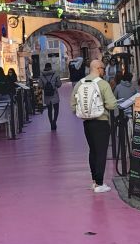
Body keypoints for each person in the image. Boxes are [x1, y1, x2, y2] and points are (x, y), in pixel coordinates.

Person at [70, 60, 117, 193]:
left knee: (93, 151)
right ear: (97, 68)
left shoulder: (80, 83)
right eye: (103, 68)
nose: (104, 70)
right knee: (101, 152)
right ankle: (100, 184)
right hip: (101, 122)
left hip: (87, 123)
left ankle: (94, 181)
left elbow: (73, 105)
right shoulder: (103, 84)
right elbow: (112, 105)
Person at [38, 62, 62, 130]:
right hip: (54, 93)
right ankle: (54, 122)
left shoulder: (42, 75)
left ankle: (51, 123)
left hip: (47, 95)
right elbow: (59, 84)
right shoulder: (55, 74)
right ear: (51, 67)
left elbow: (40, 85)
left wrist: (45, 86)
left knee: (49, 110)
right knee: (56, 109)